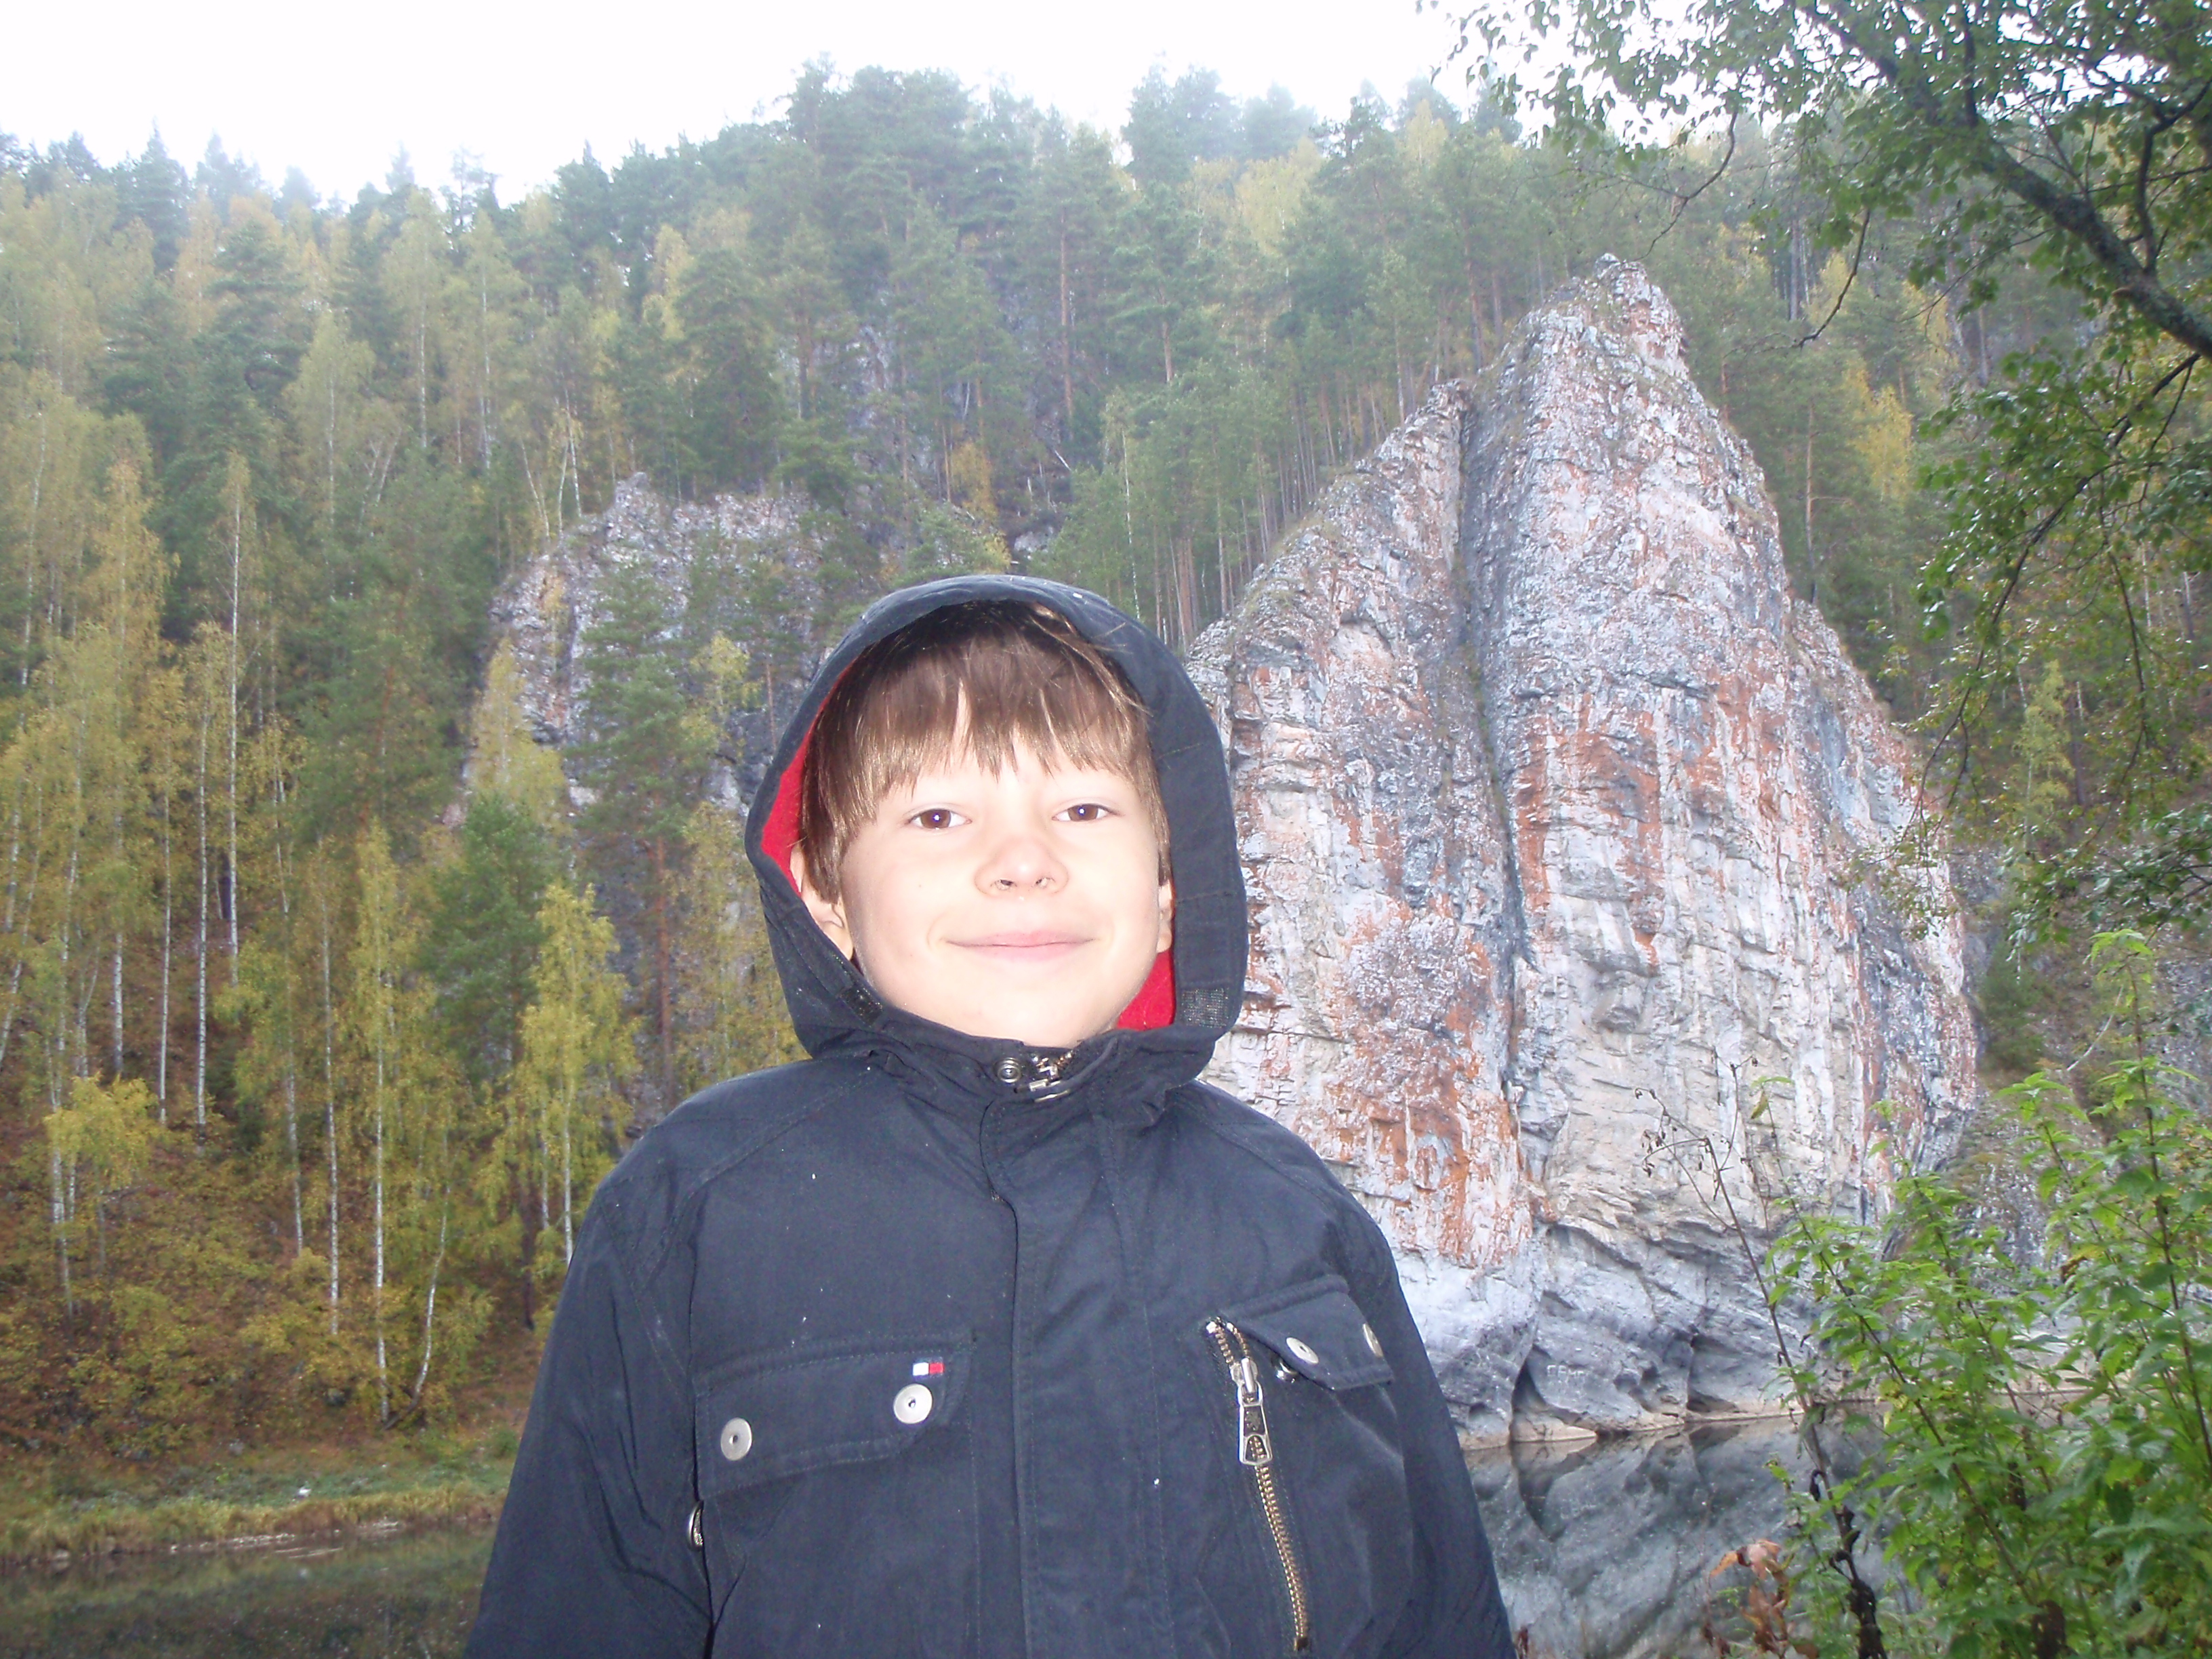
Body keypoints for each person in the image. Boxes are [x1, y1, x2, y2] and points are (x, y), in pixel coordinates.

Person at [467, 576, 1514, 1658]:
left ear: (1167, 894)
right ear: (826, 895)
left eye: (1084, 811)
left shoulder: (1295, 1213)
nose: (1022, 862)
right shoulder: (691, 1210)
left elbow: (1445, 1618)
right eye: (938, 816)